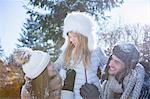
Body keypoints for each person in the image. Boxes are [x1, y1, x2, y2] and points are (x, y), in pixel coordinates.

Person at [51, 11, 107, 99]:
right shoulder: (68, 52)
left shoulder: (96, 51)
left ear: (84, 35)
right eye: (69, 37)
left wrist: (105, 71)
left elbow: (108, 65)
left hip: (95, 93)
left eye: (74, 36)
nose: (71, 40)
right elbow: (55, 67)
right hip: (75, 95)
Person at [80, 43, 145, 99]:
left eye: (117, 62)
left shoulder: (143, 90)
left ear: (127, 68)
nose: (110, 64)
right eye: (112, 59)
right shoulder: (108, 83)